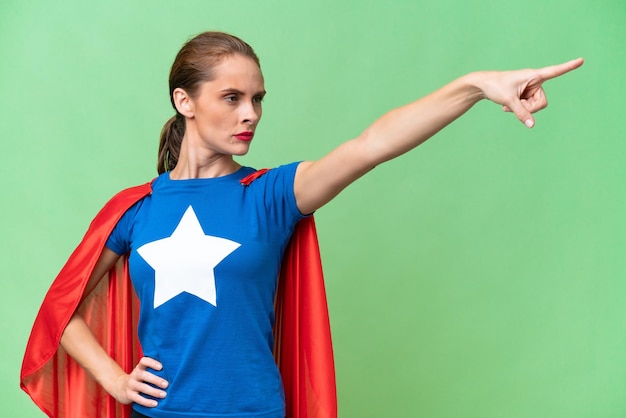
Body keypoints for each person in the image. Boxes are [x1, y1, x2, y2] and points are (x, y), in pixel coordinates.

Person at [20, 31, 583, 418]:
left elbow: (372, 145)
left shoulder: (269, 195)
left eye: (258, 99)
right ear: (184, 101)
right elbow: (61, 312)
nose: (251, 114)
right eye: (232, 97)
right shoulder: (136, 209)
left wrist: (474, 86)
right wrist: (117, 380)